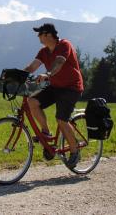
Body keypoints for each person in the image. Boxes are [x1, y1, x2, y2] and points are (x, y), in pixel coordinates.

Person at [23, 23, 84, 168]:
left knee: (61, 119)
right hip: (56, 86)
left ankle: (75, 151)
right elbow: (31, 67)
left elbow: (59, 62)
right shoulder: (43, 52)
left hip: (71, 88)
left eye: (40, 34)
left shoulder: (64, 45)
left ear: (48, 35)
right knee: (32, 101)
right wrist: (15, 75)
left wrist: (48, 74)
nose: (38, 36)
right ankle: (46, 133)